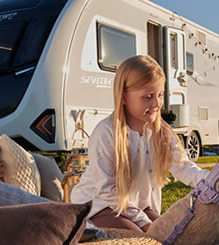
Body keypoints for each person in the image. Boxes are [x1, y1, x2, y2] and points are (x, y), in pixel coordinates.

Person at [71, 55, 209, 232]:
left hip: (139, 205)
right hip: (100, 204)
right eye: (148, 97)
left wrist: (213, 179)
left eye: (160, 95)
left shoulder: (161, 132)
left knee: (171, 237)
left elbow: (182, 167)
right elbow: (107, 190)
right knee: (144, 242)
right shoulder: (106, 132)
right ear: (124, 97)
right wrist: (144, 222)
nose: (157, 103)